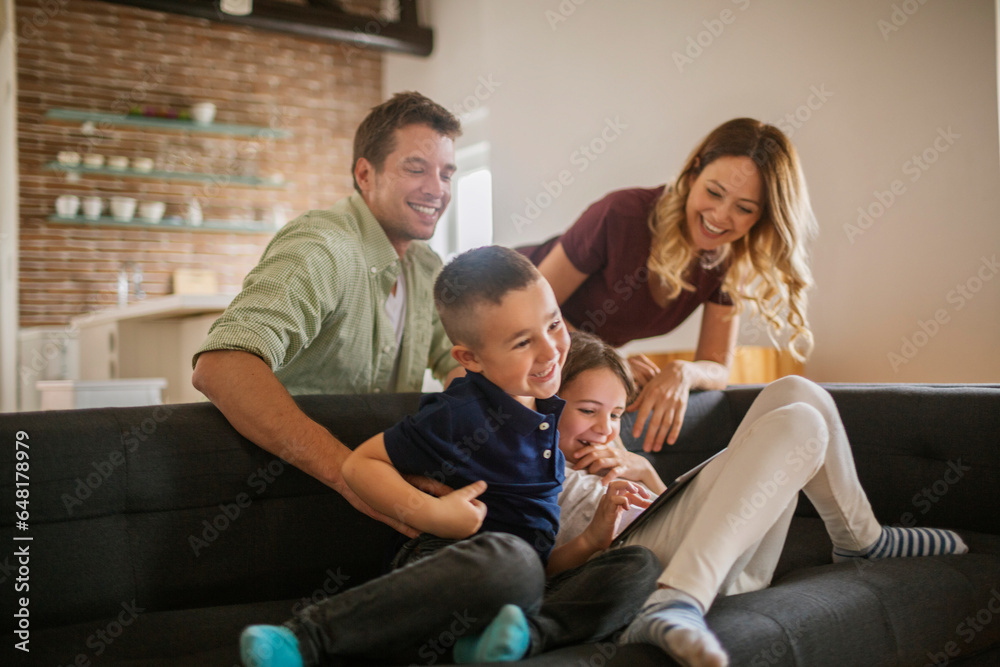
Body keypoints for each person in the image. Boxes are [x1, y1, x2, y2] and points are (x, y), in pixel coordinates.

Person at [237, 246, 661, 667]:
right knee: (513, 561)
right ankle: (307, 637)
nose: (550, 351)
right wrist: (434, 515)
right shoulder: (462, 414)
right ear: (470, 358)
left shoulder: (549, 415)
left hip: (519, 588)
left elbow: (542, 562)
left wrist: (591, 540)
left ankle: (516, 640)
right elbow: (361, 464)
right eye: (522, 342)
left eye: (553, 325)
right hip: (448, 571)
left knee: (638, 565)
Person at [549, 331, 969, 667]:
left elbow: (682, 517)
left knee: (797, 393)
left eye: (617, 414)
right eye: (588, 410)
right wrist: (593, 536)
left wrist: (644, 470)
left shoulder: (612, 461)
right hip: (634, 568)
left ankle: (862, 538)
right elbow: (540, 571)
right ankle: (675, 599)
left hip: (714, 556)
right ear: (547, 405)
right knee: (800, 424)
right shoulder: (533, 468)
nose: (606, 428)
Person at [191, 92, 466, 536]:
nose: (437, 189)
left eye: (446, 173)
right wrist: (355, 479)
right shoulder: (323, 247)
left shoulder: (426, 266)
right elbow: (221, 367)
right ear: (365, 174)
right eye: (416, 169)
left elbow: (458, 359)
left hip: (380, 500)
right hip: (284, 492)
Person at [519, 118, 817, 453]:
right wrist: (605, 363)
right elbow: (531, 316)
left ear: (761, 217)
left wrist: (684, 372)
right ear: (693, 176)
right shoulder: (622, 215)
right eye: (714, 192)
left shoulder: (728, 261)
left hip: (571, 355)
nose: (720, 215)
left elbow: (717, 367)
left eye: (744, 208)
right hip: (499, 306)